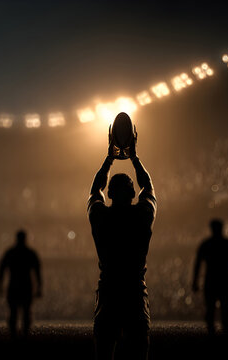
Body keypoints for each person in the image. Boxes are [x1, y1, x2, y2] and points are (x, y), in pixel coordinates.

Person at [87, 112, 156, 360]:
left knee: (103, 358)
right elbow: (149, 188)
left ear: (111, 194)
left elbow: (95, 190)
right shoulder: (142, 215)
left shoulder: (101, 218)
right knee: (138, 359)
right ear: (132, 192)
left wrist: (109, 158)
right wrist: (134, 157)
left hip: (109, 294)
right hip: (135, 294)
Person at [192, 219, 228, 335]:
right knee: (225, 309)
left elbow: (197, 265)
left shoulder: (206, 245)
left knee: (211, 310)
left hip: (211, 280)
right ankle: (225, 335)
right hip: (225, 280)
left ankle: (212, 334)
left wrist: (195, 282)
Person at [0, 230, 42, 338]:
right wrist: (39, 287)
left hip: (13, 286)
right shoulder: (30, 253)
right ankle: (25, 335)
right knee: (26, 312)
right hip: (26, 286)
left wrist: (0, 285)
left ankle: (13, 335)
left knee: (13, 312)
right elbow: (37, 272)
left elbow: (1, 270)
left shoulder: (10, 253)